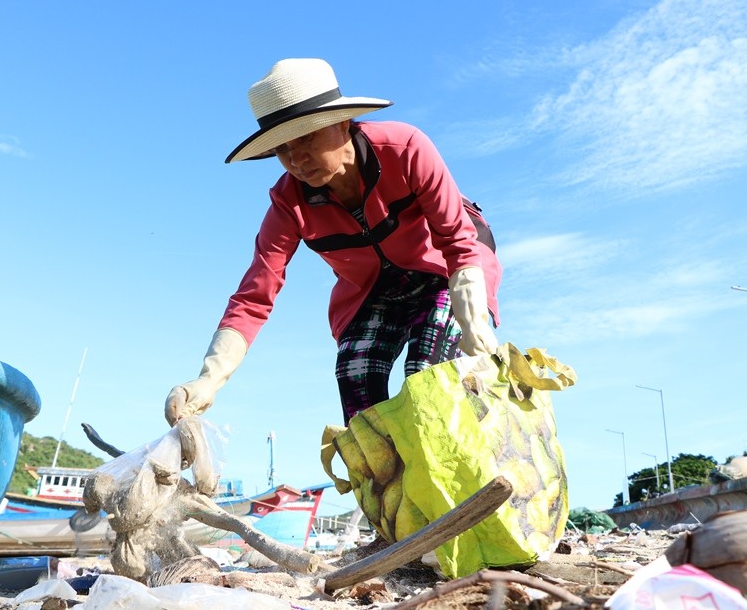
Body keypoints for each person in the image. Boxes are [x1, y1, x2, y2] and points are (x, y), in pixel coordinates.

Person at [164, 58, 501, 427]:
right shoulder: (287, 203)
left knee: (427, 375)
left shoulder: (406, 148)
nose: (296, 160)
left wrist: (474, 325)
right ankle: (386, 481)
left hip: (443, 268)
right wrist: (207, 380)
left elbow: (456, 239)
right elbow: (254, 297)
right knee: (355, 378)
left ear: (342, 121)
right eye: (282, 149)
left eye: (306, 137)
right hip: (374, 290)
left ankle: (465, 471)